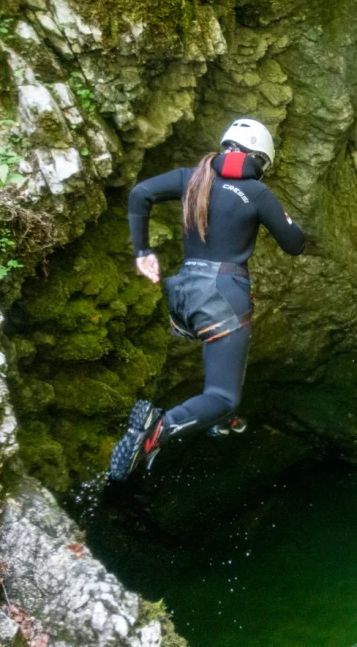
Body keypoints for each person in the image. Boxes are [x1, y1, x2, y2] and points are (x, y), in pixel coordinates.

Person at [109, 118, 305, 481]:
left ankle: (222, 420)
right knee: (223, 395)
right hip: (222, 295)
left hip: (182, 294)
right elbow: (294, 244)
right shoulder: (257, 192)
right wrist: (286, 218)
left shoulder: (192, 177)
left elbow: (140, 195)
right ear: (261, 159)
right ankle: (160, 428)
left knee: (218, 352)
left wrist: (143, 252)